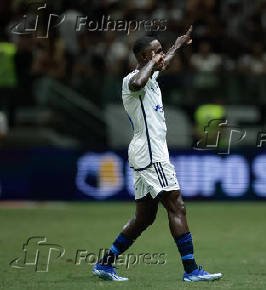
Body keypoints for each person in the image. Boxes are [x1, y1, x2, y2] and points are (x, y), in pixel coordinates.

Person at [92, 26, 222, 282]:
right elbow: (138, 80)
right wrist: (155, 61)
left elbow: (160, 66)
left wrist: (177, 45)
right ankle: (191, 270)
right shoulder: (131, 81)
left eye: (161, 52)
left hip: (146, 155)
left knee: (144, 218)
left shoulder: (151, 77)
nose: (162, 57)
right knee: (177, 206)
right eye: (156, 53)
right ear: (143, 58)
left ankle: (105, 264)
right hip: (152, 157)